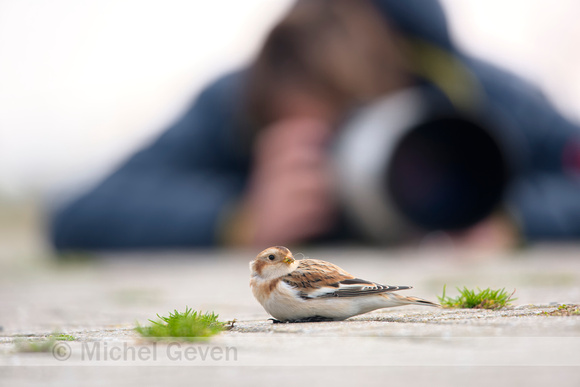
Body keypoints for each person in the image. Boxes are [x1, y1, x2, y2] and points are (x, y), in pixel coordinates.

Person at [50, 0, 580, 251]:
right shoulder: (232, 103)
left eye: (361, 131)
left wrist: (511, 221)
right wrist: (237, 220)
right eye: (320, 147)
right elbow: (81, 214)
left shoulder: (480, 96)